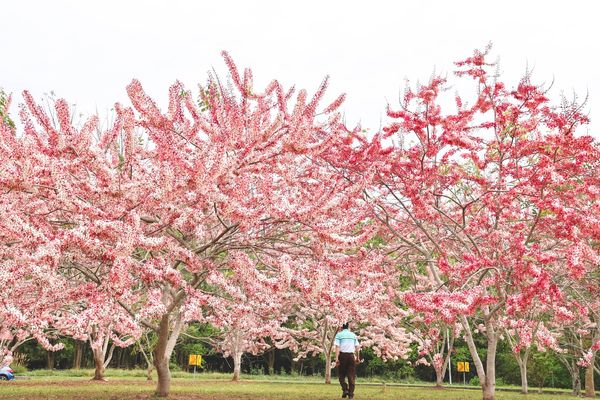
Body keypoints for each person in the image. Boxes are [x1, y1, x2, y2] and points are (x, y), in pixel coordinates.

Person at [334, 322, 360, 399]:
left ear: (342, 327)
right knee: (351, 375)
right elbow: (357, 348)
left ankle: (345, 390)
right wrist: (358, 358)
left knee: (341, 375)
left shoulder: (339, 335)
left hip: (342, 356)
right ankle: (351, 394)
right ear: (348, 327)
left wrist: (337, 358)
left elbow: (337, 347)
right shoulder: (353, 335)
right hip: (351, 356)